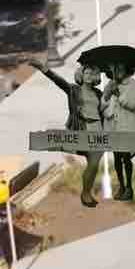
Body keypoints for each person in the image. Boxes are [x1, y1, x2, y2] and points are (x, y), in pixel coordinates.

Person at [38, 63, 108, 205]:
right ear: (81, 76)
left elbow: (105, 111)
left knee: (93, 164)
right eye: (87, 73)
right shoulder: (73, 89)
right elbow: (58, 80)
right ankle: (86, 193)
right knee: (91, 160)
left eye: (92, 74)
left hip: (98, 129)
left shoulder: (98, 93)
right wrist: (43, 68)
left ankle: (86, 193)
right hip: (83, 128)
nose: (89, 76)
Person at [103, 60, 135, 201]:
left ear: (126, 69)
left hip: (127, 129)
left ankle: (129, 188)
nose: (117, 72)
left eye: (120, 68)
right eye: (115, 69)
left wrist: (118, 95)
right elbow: (103, 106)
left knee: (126, 158)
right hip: (114, 129)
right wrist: (107, 95)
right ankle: (121, 186)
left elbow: (133, 104)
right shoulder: (111, 84)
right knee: (117, 159)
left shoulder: (132, 85)